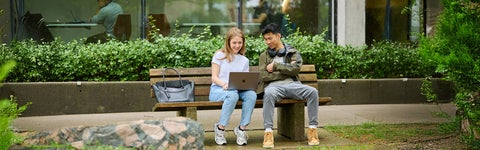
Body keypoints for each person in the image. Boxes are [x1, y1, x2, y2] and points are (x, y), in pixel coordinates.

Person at [257, 23, 320, 148]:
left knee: (313, 92)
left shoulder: (292, 52)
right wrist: (286, 72)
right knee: (268, 94)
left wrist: (276, 66)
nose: (267, 42)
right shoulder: (264, 56)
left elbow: (295, 69)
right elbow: (264, 76)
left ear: (278, 36)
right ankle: (268, 132)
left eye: (270, 38)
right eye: (265, 39)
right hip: (273, 87)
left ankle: (313, 130)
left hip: (293, 84)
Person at [209, 27, 257, 146]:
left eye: (240, 43)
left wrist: (246, 85)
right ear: (228, 42)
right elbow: (214, 77)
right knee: (232, 94)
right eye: (234, 42)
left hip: (236, 89)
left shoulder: (244, 60)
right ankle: (220, 129)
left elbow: (244, 80)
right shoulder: (219, 55)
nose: (237, 45)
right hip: (218, 89)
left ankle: (241, 129)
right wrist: (224, 84)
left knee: (251, 95)